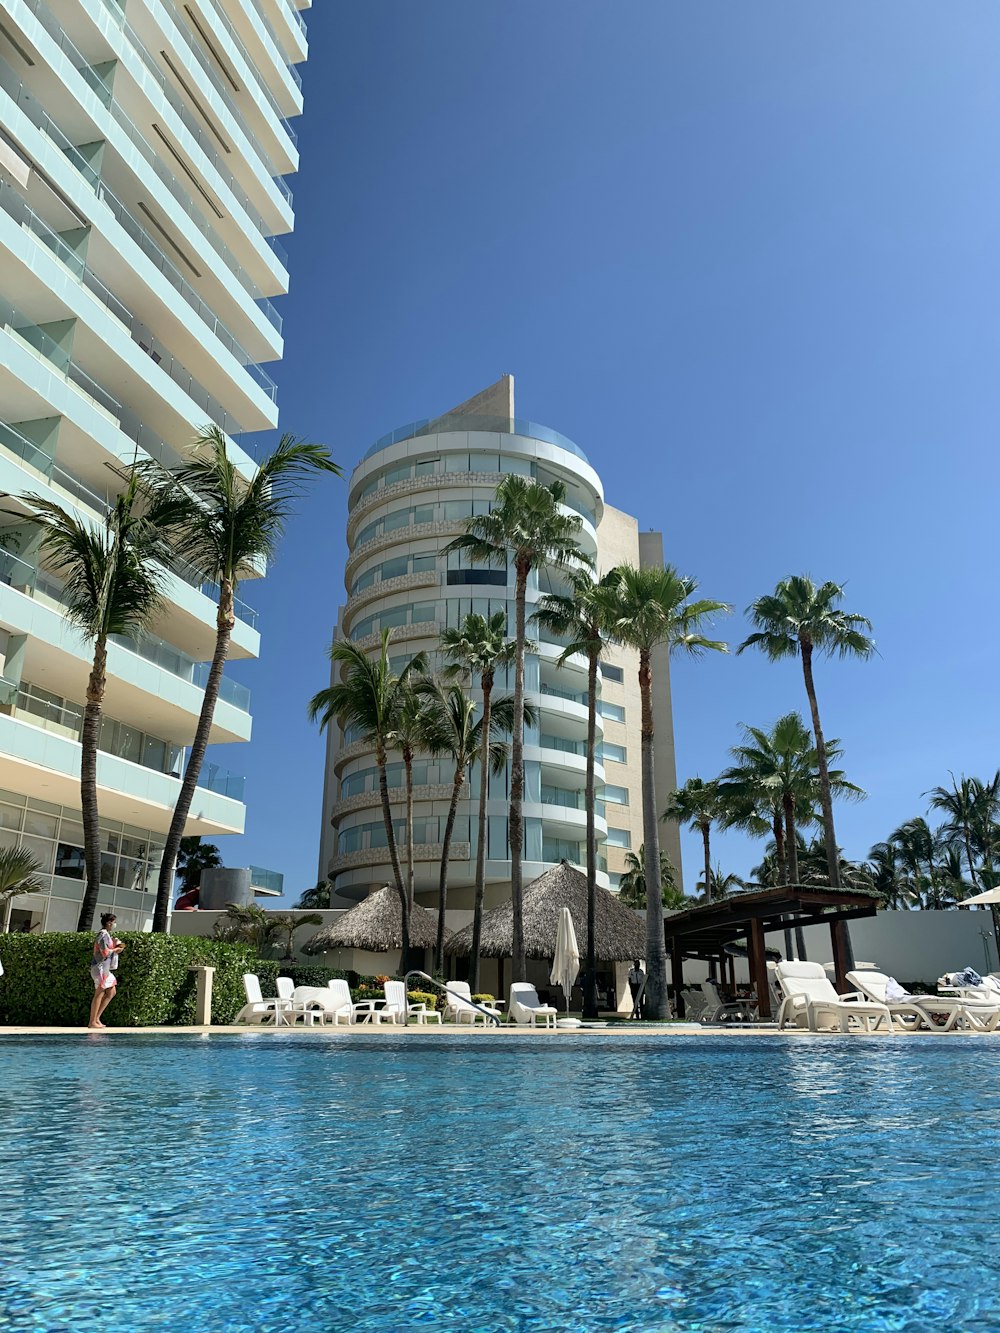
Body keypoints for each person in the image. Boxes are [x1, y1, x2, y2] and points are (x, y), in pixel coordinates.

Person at [89, 913, 125, 1029]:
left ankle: (96, 1018)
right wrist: (116, 949)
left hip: (104, 968)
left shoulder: (107, 935)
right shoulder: (103, 935)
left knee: (111, 991)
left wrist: (115, 946)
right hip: (100, 967)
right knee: (100, 992)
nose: (114, 924)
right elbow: (104, 952)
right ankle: (92, 1021)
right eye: (113, 922)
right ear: (109, 923)